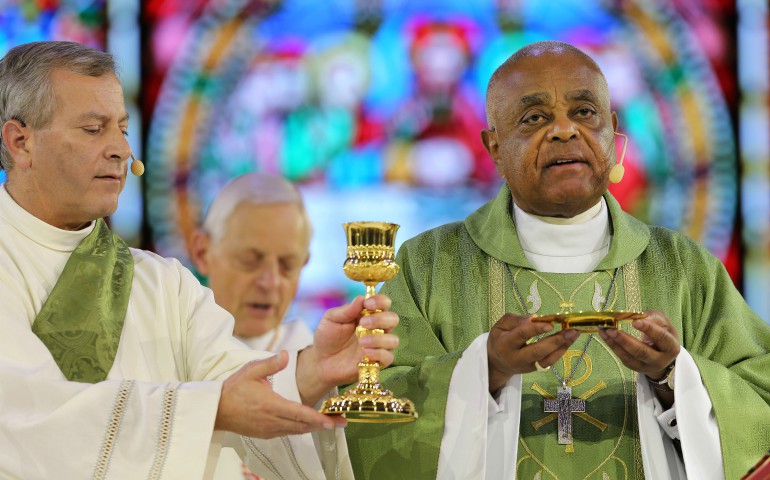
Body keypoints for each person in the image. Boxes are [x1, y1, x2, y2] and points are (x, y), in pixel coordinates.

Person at [345, 40, 770, 480]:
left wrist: (673, 377)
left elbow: (761, 406)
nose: (565, 131)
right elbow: (368, 414)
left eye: (585, 112)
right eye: (534, 118)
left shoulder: (684, 268)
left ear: (612, 130)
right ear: (494, 147)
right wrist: (484, 370)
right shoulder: (428, 266)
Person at [0, 41, 400, 480]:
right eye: (94, 129)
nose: (120, 150)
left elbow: (234, 384)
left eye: (123, 129)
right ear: (20, 142)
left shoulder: (163, 283)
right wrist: (208, 412)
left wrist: (311, 370)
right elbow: (25, 418)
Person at [189, 173, 317, 479]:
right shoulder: (170, 354)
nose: (270, 282)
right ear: (202, 252)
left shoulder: (318, 368)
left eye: (288, 265)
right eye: (250, 260)